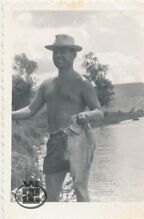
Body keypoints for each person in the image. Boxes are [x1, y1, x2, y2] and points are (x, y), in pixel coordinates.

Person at [12, 34, 103, 202]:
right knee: (51, 197)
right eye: (55, 53)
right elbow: (31, 109)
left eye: (63, 52)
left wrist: (86, 115)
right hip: (55, 143)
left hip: (78, 142)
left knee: (80, 190)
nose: (58, 56)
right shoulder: (47, 84)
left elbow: (98, 112)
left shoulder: (83, 83)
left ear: (74, 54)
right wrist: (7, 115)